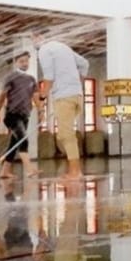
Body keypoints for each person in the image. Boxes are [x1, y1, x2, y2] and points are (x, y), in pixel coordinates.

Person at [32, 28, 89, 179]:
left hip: (63, 97)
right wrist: (78, 84)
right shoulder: (64, 47)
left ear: (39, 36)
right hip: (77, 96)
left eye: (33, 38)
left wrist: (43, 95)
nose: (33, 42)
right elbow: (84, 64)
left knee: (66, 135)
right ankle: (74, 169)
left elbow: (49, 77)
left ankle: (75, 172)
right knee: (64, 135)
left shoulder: (44, 50)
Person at [0, 51, 40, 179]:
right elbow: (2, 96)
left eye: (26, 61)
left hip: (25, 115)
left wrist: (41, 111)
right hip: (12, 115)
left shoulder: (31, 79)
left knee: (13, 145)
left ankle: (4, 172)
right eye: (21, 61)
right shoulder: (11, 77)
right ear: (16, 63)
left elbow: (35, 96)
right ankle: (29, 169)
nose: (25, 63)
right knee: (23, 140)